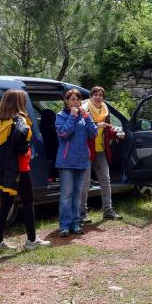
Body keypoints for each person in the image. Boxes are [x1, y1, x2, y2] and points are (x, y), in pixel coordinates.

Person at [0, 89, 51, 253]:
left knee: (5, 205)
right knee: (28, 203)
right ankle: (31, 240)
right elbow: (22, 134)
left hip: (6, 169)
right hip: (20, 169)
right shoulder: (20, 120)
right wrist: (23, 148)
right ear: (19, 103)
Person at [56, 88, 97, 237]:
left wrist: (87, 118)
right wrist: (72, 117)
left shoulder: (83, 116)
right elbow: (63, 134)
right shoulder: (60, 116)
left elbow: (94, 133)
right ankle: (65, 225)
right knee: (66, 194)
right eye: (72, 99)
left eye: (78, 99)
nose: (75, 102)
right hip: (66, 162)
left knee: (77, 194)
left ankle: (76, 223)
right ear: (66, 101)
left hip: (82, 161)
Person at [79, 86, 124, 222]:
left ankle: (108, 210)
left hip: (101, 150)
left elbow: (108, 129)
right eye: (95, 95)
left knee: (106, 180)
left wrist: (116, 133)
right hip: (86, 150)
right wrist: (96, 126)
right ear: (91, 96)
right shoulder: (85, 109)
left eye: (100, 95)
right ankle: (82, 213)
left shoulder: (105, 110)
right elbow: (80, 129)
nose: (98, 97)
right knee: (85, 183)